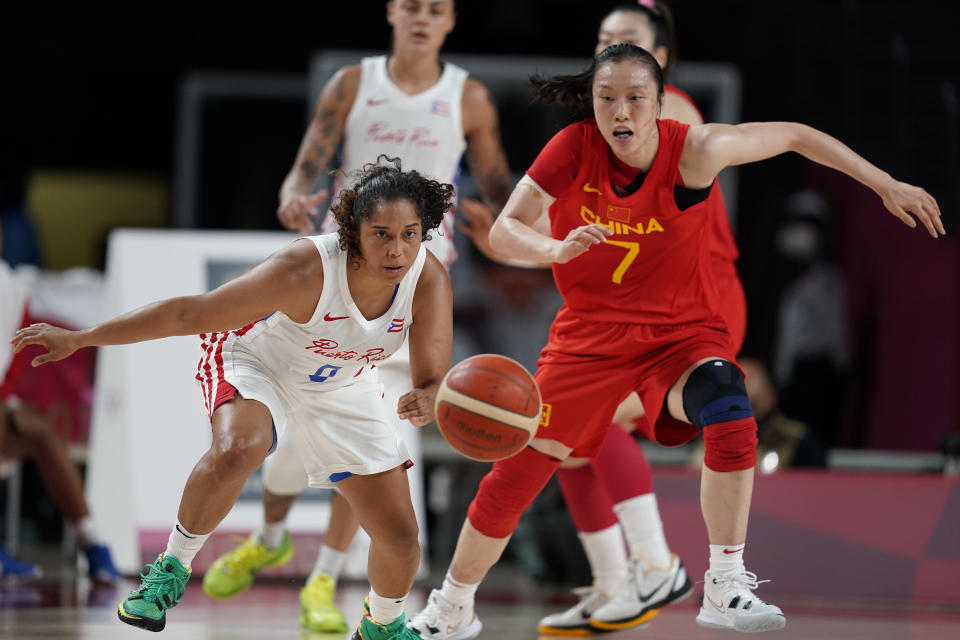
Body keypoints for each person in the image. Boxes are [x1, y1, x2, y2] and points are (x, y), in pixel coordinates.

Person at [408, 43, 943, 638]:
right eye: (607, 98)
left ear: (661, 104)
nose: (621, 112)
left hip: (679, 336)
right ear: (592, 104)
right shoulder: (572, 148)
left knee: (729, 403)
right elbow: (507, 229)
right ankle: (452, 607)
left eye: (636, 98)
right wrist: (553, 249)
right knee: (520, 471)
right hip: (590, 337)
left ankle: (725, 582)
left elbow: (794, 134)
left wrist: (883, 181)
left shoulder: (695, 150)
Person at [12, 158, 455, 639]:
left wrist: (428, 397)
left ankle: (383, 627)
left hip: (342, 381)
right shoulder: (304, 270)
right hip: (258, 358)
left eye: (410, 234)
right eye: (381, 234)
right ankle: (169, 572)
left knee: (401, 538)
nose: (397, 250)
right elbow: (189, 314)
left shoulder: (427, 280)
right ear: (353, 229)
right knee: (240, 447)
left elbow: (432, 376)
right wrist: (82, 338)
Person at [201, 0, 513, 632]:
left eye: (438, 9)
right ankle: (271, 536)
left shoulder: (469, 97)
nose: (424, 17)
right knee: (290, 450)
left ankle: (323, 580)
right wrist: (294, 192)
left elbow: (501, 186)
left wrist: (504, 224)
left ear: (451, 20)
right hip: (339, 283)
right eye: (413, 6)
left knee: (377, 447)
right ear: (393, 12)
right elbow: (312, 153)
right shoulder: (354, 81)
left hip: (413, 296)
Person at [537, 1, 749, 634]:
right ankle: (613, 581)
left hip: (693, 305)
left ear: (661, 60)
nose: (613, 48)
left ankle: (657, 567)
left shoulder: (671, 112)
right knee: (569, 443)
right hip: (631, 304)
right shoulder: (598, 128)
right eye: (604, 40)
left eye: (629, 40)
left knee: (592, 428)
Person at [0, 229, 119, 582]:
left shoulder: (11, 284)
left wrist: (5, 398)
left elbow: (16, 353)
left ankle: (92, 542)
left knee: (39, 428)